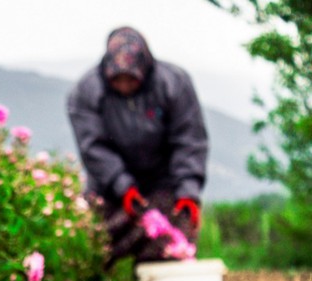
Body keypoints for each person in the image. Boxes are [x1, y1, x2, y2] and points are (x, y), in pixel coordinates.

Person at [67, 26, 208, 264]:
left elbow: (189, 140)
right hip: (110, 188)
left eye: (130, 79)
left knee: (172, 238)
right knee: (94, 244)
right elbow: (93, 147)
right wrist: (122, 185)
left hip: (163, 184)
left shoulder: (174, 83)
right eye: (118, 79)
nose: (124, 85)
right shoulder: (86, 92)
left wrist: (188, 191)